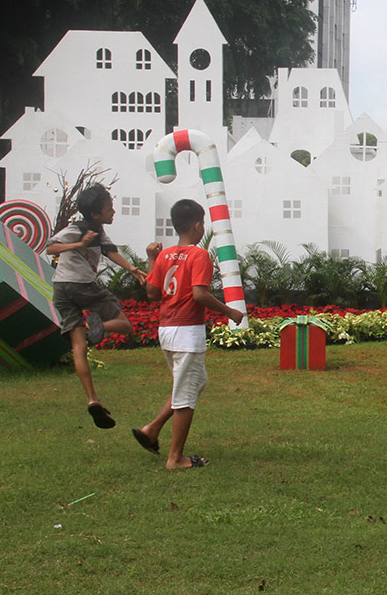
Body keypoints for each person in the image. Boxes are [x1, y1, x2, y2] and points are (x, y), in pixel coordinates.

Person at [132, 199, 244, 469]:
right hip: (187, 332)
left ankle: (152, 429)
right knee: (186, 395)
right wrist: (230, 312)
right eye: (202, 223)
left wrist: (150, 259)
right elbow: (199, 294)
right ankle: (175, 458)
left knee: (195, 383)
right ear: (197, 225)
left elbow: (151, 293)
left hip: (167, 329)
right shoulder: (199, 255)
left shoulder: (165, 255)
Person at [46, 183, 147, 429]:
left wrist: (132, 269)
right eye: (109, 208)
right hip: (82, 286)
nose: (113, 212)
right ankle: (98, 326)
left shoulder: (97, 231)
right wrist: (79, 245)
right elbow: (50, 248)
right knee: (124, 325)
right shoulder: (78, 228)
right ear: (95, 214)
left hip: (60, 289)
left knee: (79, 346)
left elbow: (110, 251)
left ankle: (93, 400)